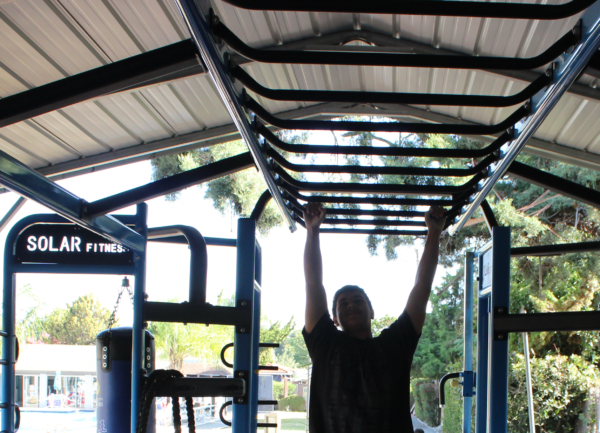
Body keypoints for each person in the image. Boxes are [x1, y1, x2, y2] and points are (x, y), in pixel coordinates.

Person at [302, 203, 446, 433]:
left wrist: (434, 233)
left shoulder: (393, 346)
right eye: (343, 303)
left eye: (359, 300)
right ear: (334, 319)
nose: (351, 304)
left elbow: (422, 289)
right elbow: (313, 284)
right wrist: (312, 231)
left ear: (372, 312)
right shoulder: (325, 344)